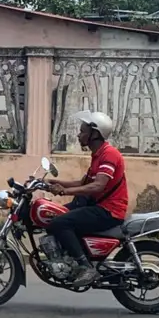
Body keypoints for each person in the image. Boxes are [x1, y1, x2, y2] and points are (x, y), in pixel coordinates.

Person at [44, 111, 128, 287]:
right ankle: (70, 256)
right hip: (97, 206)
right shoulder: (98, 154)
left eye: (82, 131)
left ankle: (85, 267)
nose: (79, 134)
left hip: (108, 210)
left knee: (61, 222)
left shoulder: (109, 155)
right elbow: (83, 182)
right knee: (53, 217)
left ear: (95, 134)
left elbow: (97, 186)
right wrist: (54, 183)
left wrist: (64, 192)